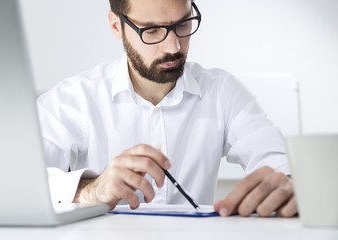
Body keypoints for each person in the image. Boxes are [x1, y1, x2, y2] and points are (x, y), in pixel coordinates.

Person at [37, 0, 297, 217]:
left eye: (183, 24)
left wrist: (287, 184)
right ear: (117, 25)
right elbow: (18, 184)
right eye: (151, 30)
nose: (173, 47)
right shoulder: (74, 98)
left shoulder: (223, 91)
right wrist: (92, 190)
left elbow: (279, 165)